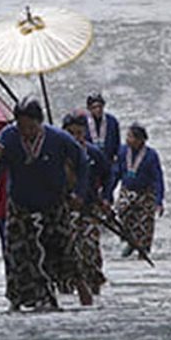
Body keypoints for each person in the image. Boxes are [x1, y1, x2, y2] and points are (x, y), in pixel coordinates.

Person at [0, 96, 92, 311]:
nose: (25, 131)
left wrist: (79, 194)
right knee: (17, 252)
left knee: (64, 248)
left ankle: (80, 285)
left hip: (53, 203)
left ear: (39, 122)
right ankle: (20, 299)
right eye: (21, 126)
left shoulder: (59, 138)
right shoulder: (8, 136)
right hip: (20, 204)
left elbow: (82, 163)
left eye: (30, 126)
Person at [63, 111, 114, 295]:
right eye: (71, 133)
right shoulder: (58, 153)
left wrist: (106, 197)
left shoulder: (94, 153)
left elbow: (109, 175)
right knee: (66, 248)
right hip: (65, 209)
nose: (76, 137)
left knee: (90, 245)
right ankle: (68, 285)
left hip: (89, 207)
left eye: (79, 133)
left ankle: (94, 282)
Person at [112, 123, 165, 258]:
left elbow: (158, 178)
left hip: (145, 193)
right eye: (127, 136)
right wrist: (108, 192)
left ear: (140, 139)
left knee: (145, 224)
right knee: (122, 214)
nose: (127, 139)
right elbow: (116, 173)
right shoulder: (123, 151)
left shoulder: (151, 155)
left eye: (131, 137)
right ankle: (130, 241)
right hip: (127, 190)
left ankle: (143, 250)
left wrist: (159, 200)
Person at [84, 92, 121, 166]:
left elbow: (117, 142)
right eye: (94, 107)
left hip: (108, 160)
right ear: (89, 108)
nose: (98, 110)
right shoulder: (83, 122)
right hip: (89, 162)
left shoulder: (112, 121)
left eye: (100, 106)